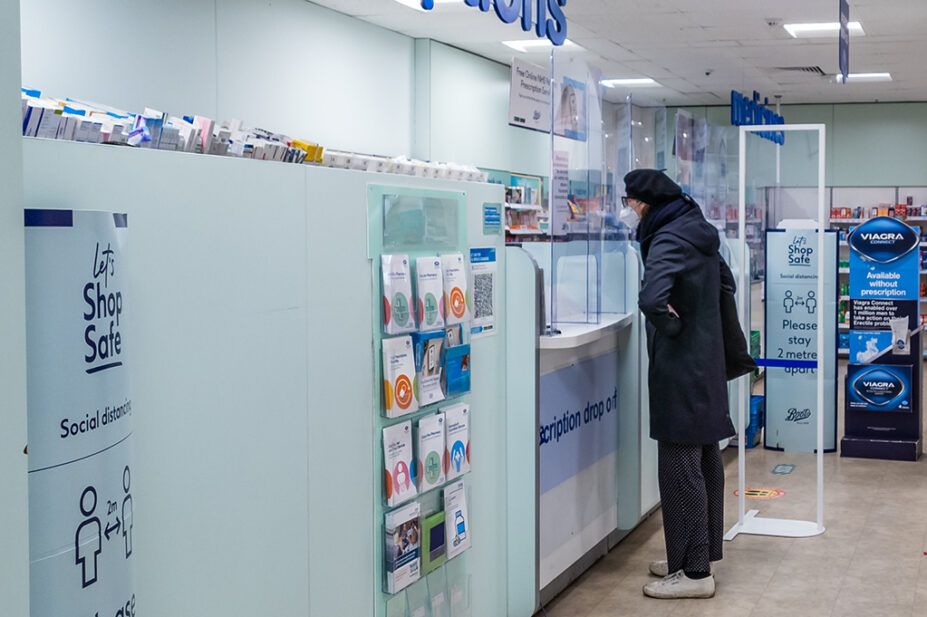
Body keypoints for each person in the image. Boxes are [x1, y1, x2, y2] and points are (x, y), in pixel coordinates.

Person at [620, 169, 752, 600]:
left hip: (681, 368)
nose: (628, 210)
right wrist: (700, 326)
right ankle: (695, 556)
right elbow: (726, 285)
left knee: (679, 466)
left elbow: (651, 299)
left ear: (645, 204)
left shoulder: (668, 239)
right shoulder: (699, 231)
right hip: (708, 361)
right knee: (705, 458)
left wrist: (674, 331)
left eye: (629, 202)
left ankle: (694, 575)